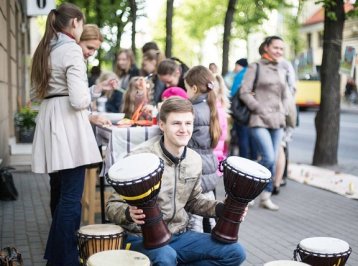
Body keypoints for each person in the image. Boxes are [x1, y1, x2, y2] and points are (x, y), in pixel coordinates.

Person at [106, 97, 246, 266]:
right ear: (162, 125)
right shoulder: (139, 158)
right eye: (176, 123)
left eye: (188, 123)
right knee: (166, 257)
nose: (183, 129)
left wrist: (222, 209)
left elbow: (193, 201)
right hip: (140, 237)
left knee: (235, 252)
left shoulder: (194, 159)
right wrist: (129, 213)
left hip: (178, 235)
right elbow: (111, 206)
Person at [30, 4, 101, 265]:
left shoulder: (44, 48)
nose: (81, 29)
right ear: (74, 23)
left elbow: (33, 94)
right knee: (71, 196)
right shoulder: (70, 48)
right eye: (81, 24)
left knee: (62, 195)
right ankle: (66, 259)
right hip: (68, 123)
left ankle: (56, 258)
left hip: (50, 116)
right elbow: (79, 99)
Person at [48, 23, 116, 219]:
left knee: (61, 192)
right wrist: (89, 116)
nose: (91, 53)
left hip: (63, 130)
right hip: (66, 133)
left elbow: (71, 96)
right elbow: (73, 101)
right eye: (89, 47)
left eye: (95, 49)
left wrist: (98, 87)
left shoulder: (65, 55)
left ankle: (60, 241)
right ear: (78, 39)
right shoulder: (71, 57)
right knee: (66, 196)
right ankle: (63, 244)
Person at [239, 36, 288, 211]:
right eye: (275, 47)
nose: (279, 51)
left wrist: (285, 113)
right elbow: (244, 92)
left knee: (273, 159)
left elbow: (284, 95)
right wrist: (258, 108)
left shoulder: (282, 68)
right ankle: (242, 186)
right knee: (267, 157)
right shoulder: (256, 66)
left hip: (278, 120)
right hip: (259, 119)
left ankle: (265, 197)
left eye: (281, 49)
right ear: (266, 47)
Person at [184, 66, 222, 233]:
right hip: (209, 165)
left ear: (193, 88)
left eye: (186, 89)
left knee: (195, 220)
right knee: (211, 218)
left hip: (197, 168)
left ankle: (196, 249)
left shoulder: (192, 110)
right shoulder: (211, 106)